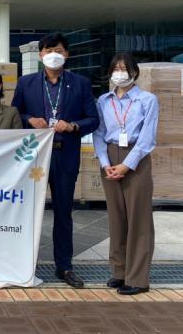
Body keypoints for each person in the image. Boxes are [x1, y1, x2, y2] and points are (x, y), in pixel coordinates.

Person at [12, 33, 99, 288]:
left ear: (67, 54)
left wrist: (73, 126)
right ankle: (24, 263)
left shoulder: (80, 83)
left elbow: (93, 119)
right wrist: (30, 120)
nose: (53, 55)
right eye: (49, 51)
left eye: (58, 51)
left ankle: (64, 266)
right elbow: (14, 113)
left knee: (63, 212)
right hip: (34, 156)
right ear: (40, 55)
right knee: (27, 211)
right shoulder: (26, 83)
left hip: (64, 154)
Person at [93, 53, 158, 296]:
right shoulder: (103, 100)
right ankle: (119, 272)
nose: (120, 73)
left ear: (134, 72)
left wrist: (127, 165)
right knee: (116, 217)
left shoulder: (147, 100)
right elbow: (98, 133)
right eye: (115, 69)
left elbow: (147, 137)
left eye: (125, 69)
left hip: (136, 158)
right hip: (109, 157)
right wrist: (105, 163)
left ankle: (138, 278)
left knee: (138, 218)